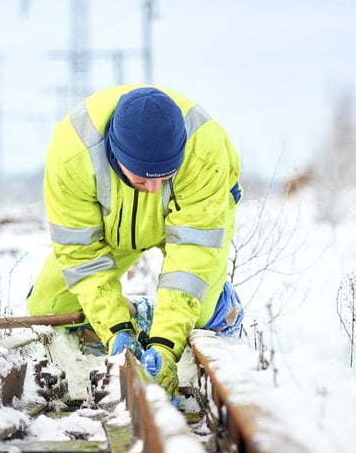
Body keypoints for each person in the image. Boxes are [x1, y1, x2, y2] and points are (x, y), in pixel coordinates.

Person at [26, 85, 244, 399]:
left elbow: (191, 255)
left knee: (199, 314)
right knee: (47, 307)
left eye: (164, 176)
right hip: (114, 225)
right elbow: (81, 254)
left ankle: (224, 306)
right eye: (142, 178)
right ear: (115, 154)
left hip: (187, 217)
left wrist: (166, 346)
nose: (154, 189)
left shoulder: (204, 151)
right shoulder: (72, 155)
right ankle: (140, 314)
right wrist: (116, 329)